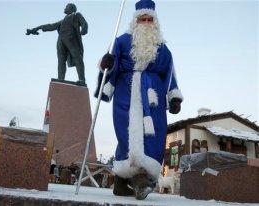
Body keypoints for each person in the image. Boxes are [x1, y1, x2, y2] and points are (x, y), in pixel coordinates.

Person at [95, 0, 183, 200]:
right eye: (142, 19)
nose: (145, 22)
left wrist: (174, 97)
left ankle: (121, 183)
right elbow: (110, 62)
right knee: (127, 134)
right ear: (135, 21)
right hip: (127, 92)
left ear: (154, 21)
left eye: (148, 19)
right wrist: (105, 63)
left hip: (154, 95)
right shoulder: (122, 41)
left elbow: (170, 73)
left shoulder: (162, 48)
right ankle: (139, 181)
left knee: (153, 136)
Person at [26, 3, 88, 85]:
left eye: (66, 7)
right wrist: (36, 29)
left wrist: (84, 29)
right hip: (61, 41)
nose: (64, 8)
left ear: (72, 8)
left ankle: (82, 80)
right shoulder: (62, 21)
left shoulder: (76, 15)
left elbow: (84, 23)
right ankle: (60, 79)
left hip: (71, 39)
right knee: (61, 60)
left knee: (77, 58)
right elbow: (51, 26)